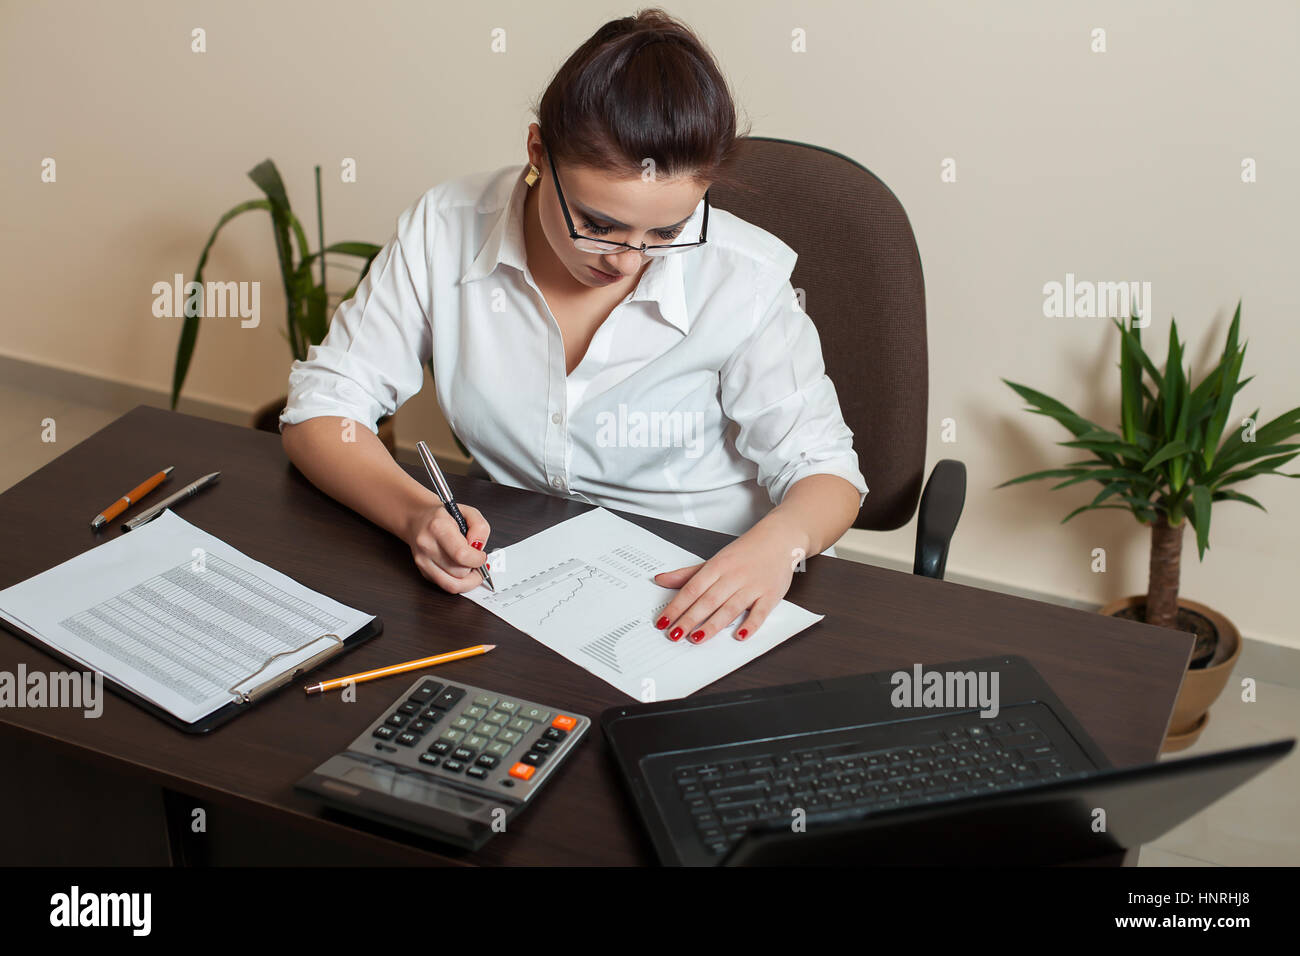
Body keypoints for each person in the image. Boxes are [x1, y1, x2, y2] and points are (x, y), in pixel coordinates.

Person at [280, 9, 867, 646]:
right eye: (598, 223)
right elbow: (324, 410)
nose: (627, 260)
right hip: (531, 581)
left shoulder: (741, 277)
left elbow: (827, 472)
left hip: (713, 581)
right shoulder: (445, 228)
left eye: (666, 232)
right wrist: (418, 516)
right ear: (538, 153)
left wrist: (776, 545)